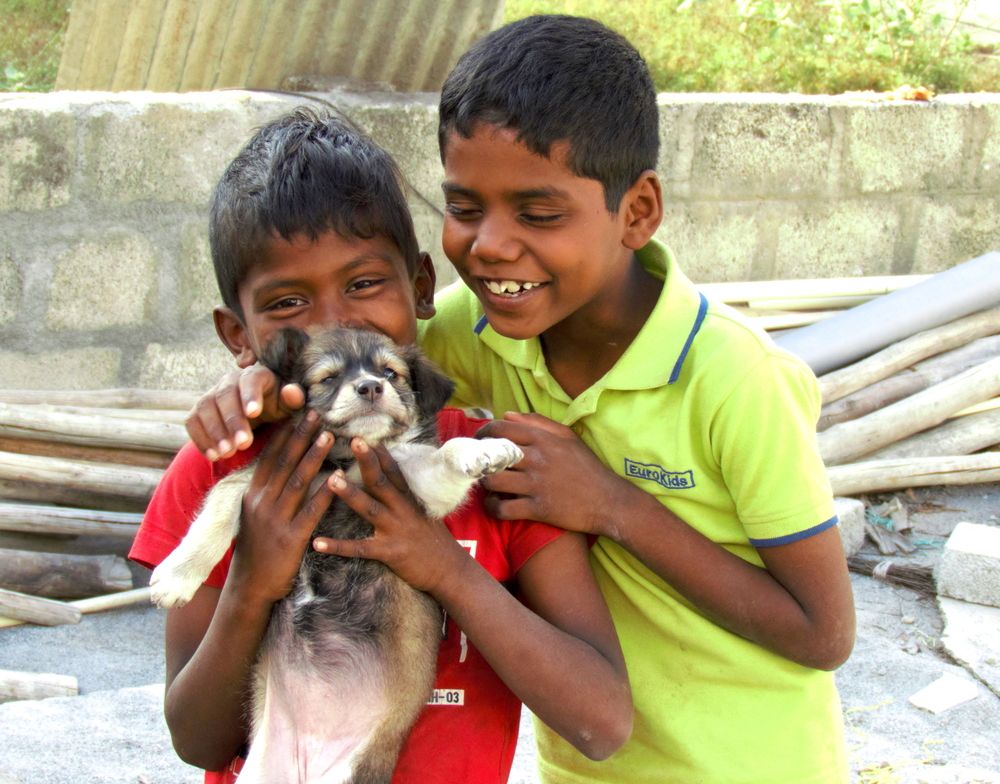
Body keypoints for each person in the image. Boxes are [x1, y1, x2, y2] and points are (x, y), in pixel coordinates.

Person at [187, 15, 856, 784]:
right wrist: (255, 384)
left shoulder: (737, 378)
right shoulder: (471, 333)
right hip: (581, 764)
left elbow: (824, 632)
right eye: (465, 208)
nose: (492, 246)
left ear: (636, 212)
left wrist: (612, 505)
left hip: (755, 766)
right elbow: (337, 361)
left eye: (537, 214)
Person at [128, 106, 632, 784]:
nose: (336, 325)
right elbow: (198, 739)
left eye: (364, 284)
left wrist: (444, 568)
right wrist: (253, 582)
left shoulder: (492, 467)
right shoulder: (223, 469)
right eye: (288, 304)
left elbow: (600, 722)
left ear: (421, 287)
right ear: (238, 335)